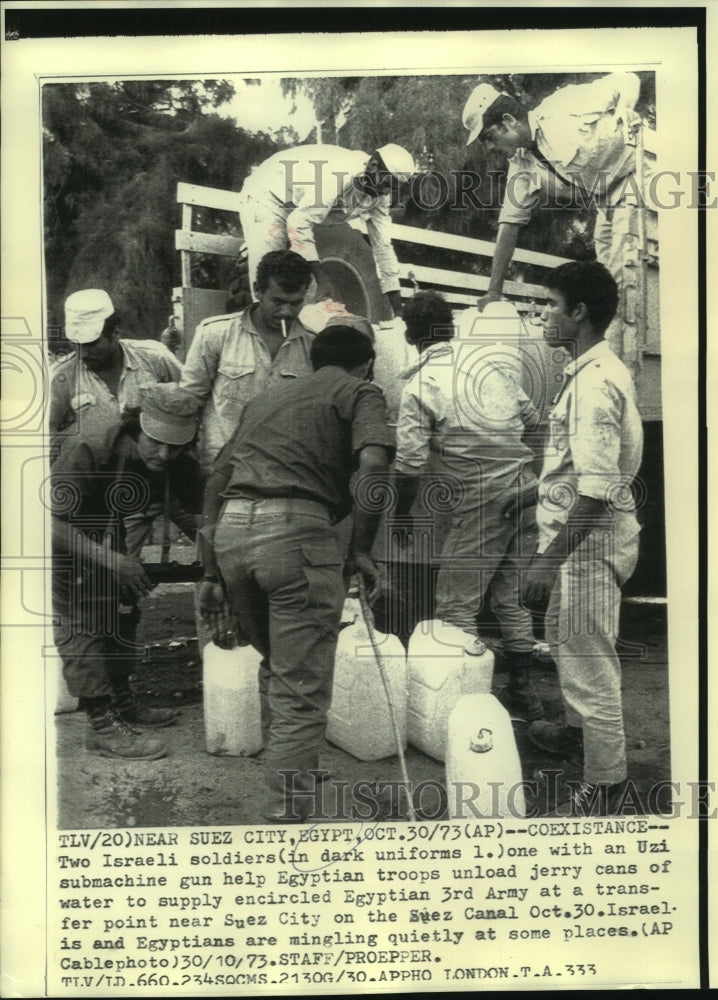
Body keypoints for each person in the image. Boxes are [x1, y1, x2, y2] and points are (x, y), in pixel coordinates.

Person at [199, 326, 394, 822]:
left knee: (279, 662)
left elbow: (217, 478)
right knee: (300, 689)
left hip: (233, 533)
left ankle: (292, 764)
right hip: (296, 536)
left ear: (311, 361)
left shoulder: (268, 397)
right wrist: (362, 548)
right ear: (366, 364)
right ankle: (286, 811)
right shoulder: (362, 391)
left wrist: (210, 570)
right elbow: (374, 468)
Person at [522, 261, 643, 814]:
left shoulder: (595, 383)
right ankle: (578, 736)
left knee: (590, 665)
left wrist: (547, 563)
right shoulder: (590, 370)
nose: (543, 314)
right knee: (566, 645)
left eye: (551, 304)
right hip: (579, 544)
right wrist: (529, 499)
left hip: (586, 548)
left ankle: (608, 782)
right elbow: (576, 471)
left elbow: (595, 491)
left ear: (579, 313)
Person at [390, 291, 544, 720]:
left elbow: (409, 465)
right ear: (452, 328)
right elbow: (535, 423)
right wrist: (528, 479)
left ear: (409, 336)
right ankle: (523, 690)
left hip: (481, 506)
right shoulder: (488, 367)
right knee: (511, 599)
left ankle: (466, 705)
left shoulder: (421, 385)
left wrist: (401, 515)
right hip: (526, 495)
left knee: (456, 606)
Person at [50, 384, 205, 760]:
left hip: (104, 523)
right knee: (84, 618)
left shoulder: (175, 459)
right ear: (139, 428)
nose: (164, 454)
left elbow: (185, 507)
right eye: (156, 443)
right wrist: (113, 561)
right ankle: (101, 726)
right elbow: (47, 523)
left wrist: (211, 555)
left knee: (122, 607)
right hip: (57, 525)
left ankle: (121, 701)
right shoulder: (91, 444)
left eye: (175, 446)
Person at [462, 74, 645, 349]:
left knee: (622, 281)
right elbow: (509, 223)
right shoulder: (521, 165)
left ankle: (620, 367)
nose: (489, 147)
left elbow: (628, 80)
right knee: (606, 286)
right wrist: (494, 292)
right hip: (606, 200)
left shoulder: (562, 105)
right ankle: (606, 358)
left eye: (488, 137)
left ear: (509, 122)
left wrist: (625, 119)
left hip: (639, 173)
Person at [239, 143, 415, 318]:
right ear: (373, 166)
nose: (386, 193)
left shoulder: (380, 195)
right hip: (269, 195)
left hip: (299, 207)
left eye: (392, 189)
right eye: (386, 184)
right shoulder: (339, 172)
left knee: (305, 290)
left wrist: (398, 311)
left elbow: (383, 247)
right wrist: (321, 279)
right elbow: (298, 222)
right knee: (271, 280)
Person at [180, 250, 316, 473]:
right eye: (278, 301)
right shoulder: (214, 333)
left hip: (283, 473)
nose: (286, 312)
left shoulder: (313, 346)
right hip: (222, 472)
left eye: (296, 303)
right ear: (257, 291)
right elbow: (190, 401)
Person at [49, 289, 183, 456]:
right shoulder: (61, 376)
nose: (82, 354)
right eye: (75, 344)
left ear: (116, 333)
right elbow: (47, 436)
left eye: (91, 344)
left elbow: (189, 400)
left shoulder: (155, 357)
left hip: (156, 462)